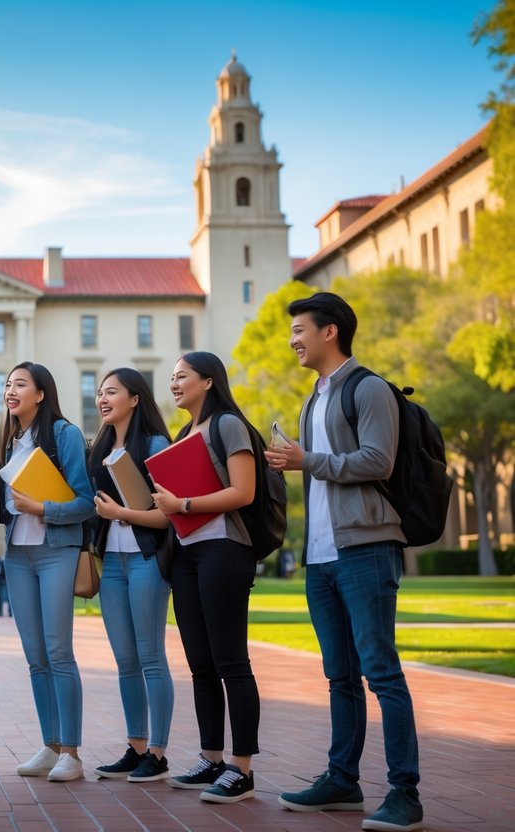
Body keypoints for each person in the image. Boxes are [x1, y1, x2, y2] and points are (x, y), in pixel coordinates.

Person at [266, 292, 423, 832]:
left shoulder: (368, 388)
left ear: (330, 332)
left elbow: (378, 459)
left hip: (367, 548)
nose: (293, 340)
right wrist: (294, 462)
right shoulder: (313, 397)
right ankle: (342, 780)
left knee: (381, 670)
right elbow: (323, 471)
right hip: (322, 556)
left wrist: (305, 458)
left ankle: (405, 793)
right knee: (339, 676)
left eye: (299, 330)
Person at [151, 351, 260, 804]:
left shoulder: (227, 425)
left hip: (224, 550)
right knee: (200, 665)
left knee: (231, 660)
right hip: (187, 554)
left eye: (182, 377)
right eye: (172, 378)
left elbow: (244, 491)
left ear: (209, 381)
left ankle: (243, 768)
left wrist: (185, 506)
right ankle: (211, 758)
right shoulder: (182, 433)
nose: (174, 384)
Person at [0, 361, 95, 782]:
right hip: (19, 555)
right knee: (36, 658)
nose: (10, 391)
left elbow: (85, 502)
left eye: (20, 384)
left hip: (57, 552)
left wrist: (42, 508)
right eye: (6, 384)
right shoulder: (11, 441)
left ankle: (71, 751)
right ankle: (50, 744)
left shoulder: (64, 434)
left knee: (58, 652)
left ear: (40, 393)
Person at [86, 367, 175, 784]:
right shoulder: (100, 447)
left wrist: (121, 513)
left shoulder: (155, 444)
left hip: (146, 560)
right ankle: (136, 747)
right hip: (113, 565)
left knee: (151, 657)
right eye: (99, 393)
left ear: (135, 399)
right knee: (125, 661)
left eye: (111, 393)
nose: (102, 399)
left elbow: (168, 516)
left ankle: (158, 754)